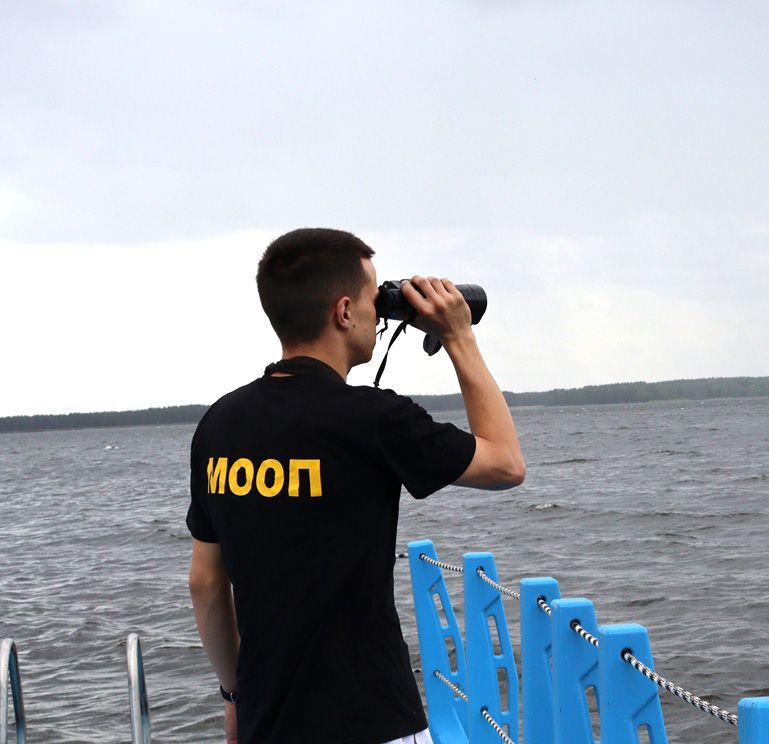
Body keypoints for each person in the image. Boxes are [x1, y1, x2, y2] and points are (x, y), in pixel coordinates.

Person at [186, 227, 524, 744]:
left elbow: (205, 583)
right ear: (344, 312)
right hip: (373, 720)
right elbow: (505, 464)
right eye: (373, 299)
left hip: (269, 724)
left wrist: (236, 697)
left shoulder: (219, 425)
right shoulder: (373, 418)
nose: (378, 314)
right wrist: (458, 337)